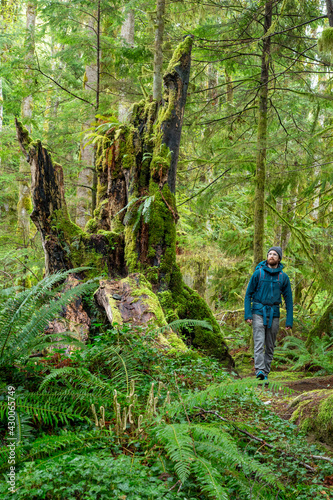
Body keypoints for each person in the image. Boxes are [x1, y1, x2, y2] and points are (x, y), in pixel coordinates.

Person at [244, 246, 293, 381]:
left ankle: (265, 372)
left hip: (274, 314)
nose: (271, 256)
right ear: (267, 257)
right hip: (258, 311)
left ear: (279, 258)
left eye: (274, 254)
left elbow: (288, 300)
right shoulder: (258, 274)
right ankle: (259, 371)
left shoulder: (283, 277)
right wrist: (248, 314)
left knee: (270, 345)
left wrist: (289, 320)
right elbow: (248, 295)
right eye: (269, 254)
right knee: (259, 342)